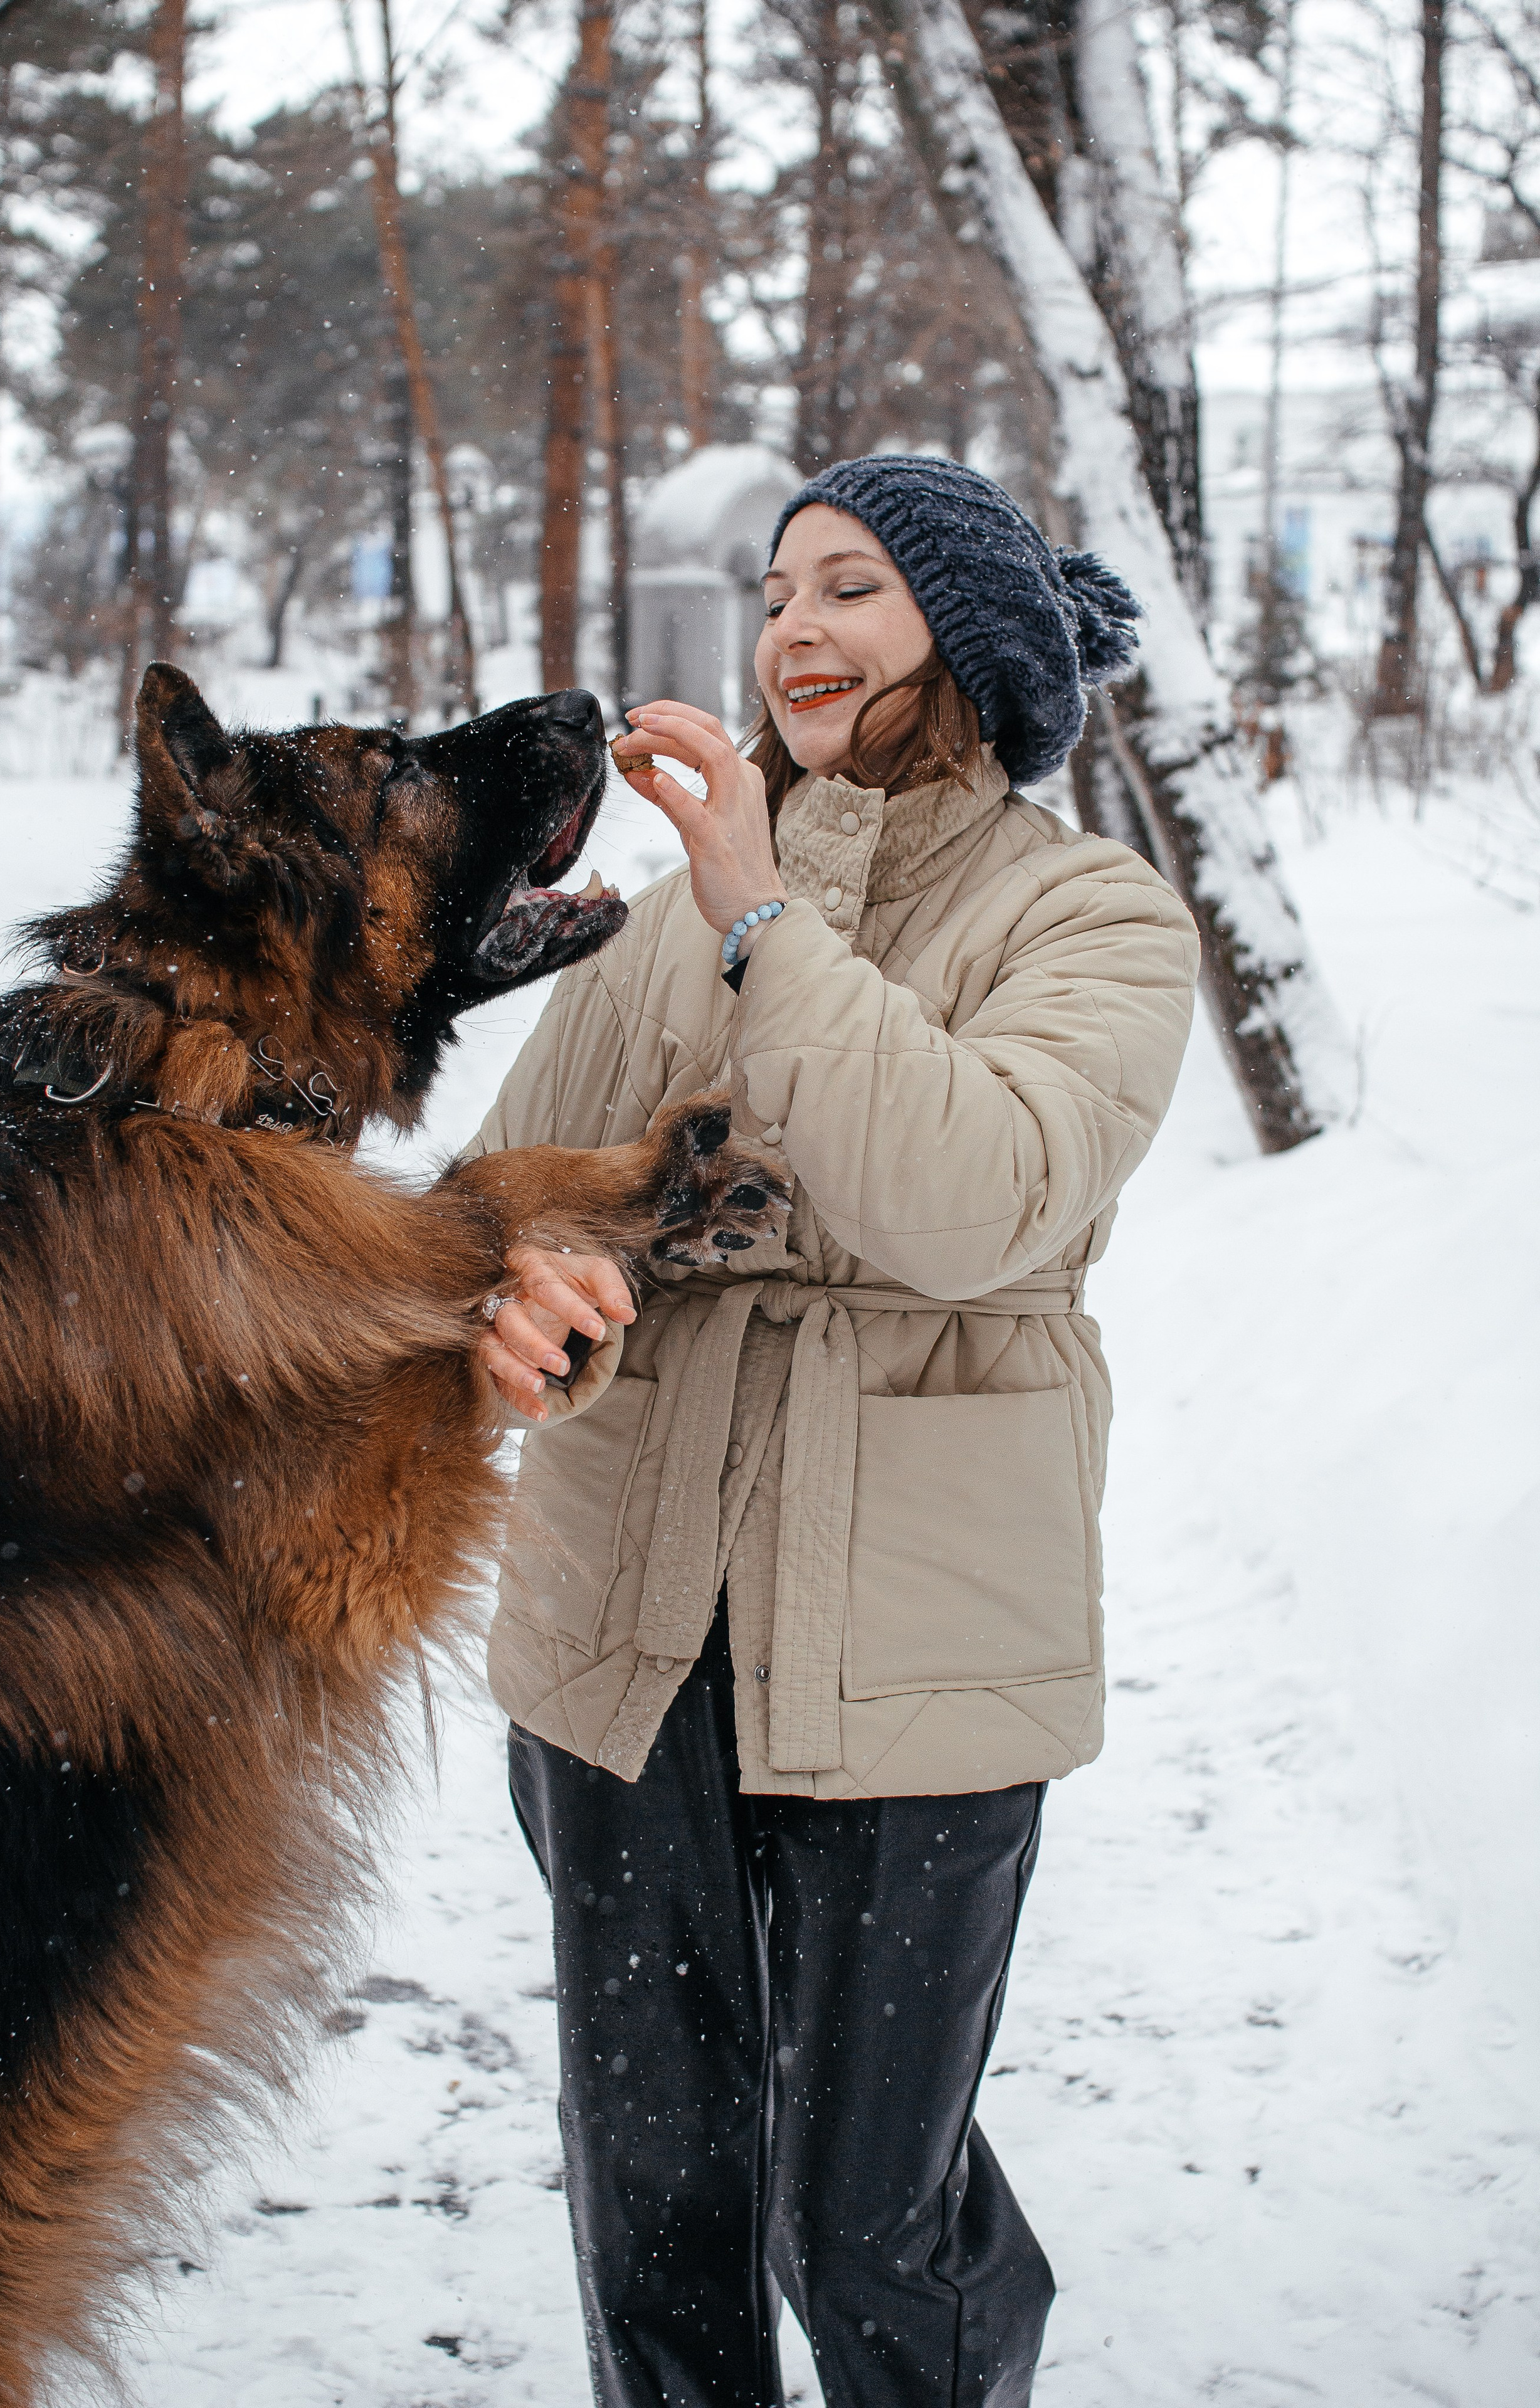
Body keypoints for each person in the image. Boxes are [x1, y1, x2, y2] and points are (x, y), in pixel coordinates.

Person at [465, 455, 1200, 2407]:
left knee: (866, 2217)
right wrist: (521, 1275)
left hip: (918, 1635)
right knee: (662, 2198)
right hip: (629, 1618)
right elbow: (513, 1183)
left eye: (851, 588)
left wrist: (761, 914)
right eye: (779, 589)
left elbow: (968, 1199)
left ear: (966, 638)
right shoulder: (668, 922)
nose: (792, 628)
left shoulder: (1097, 917)